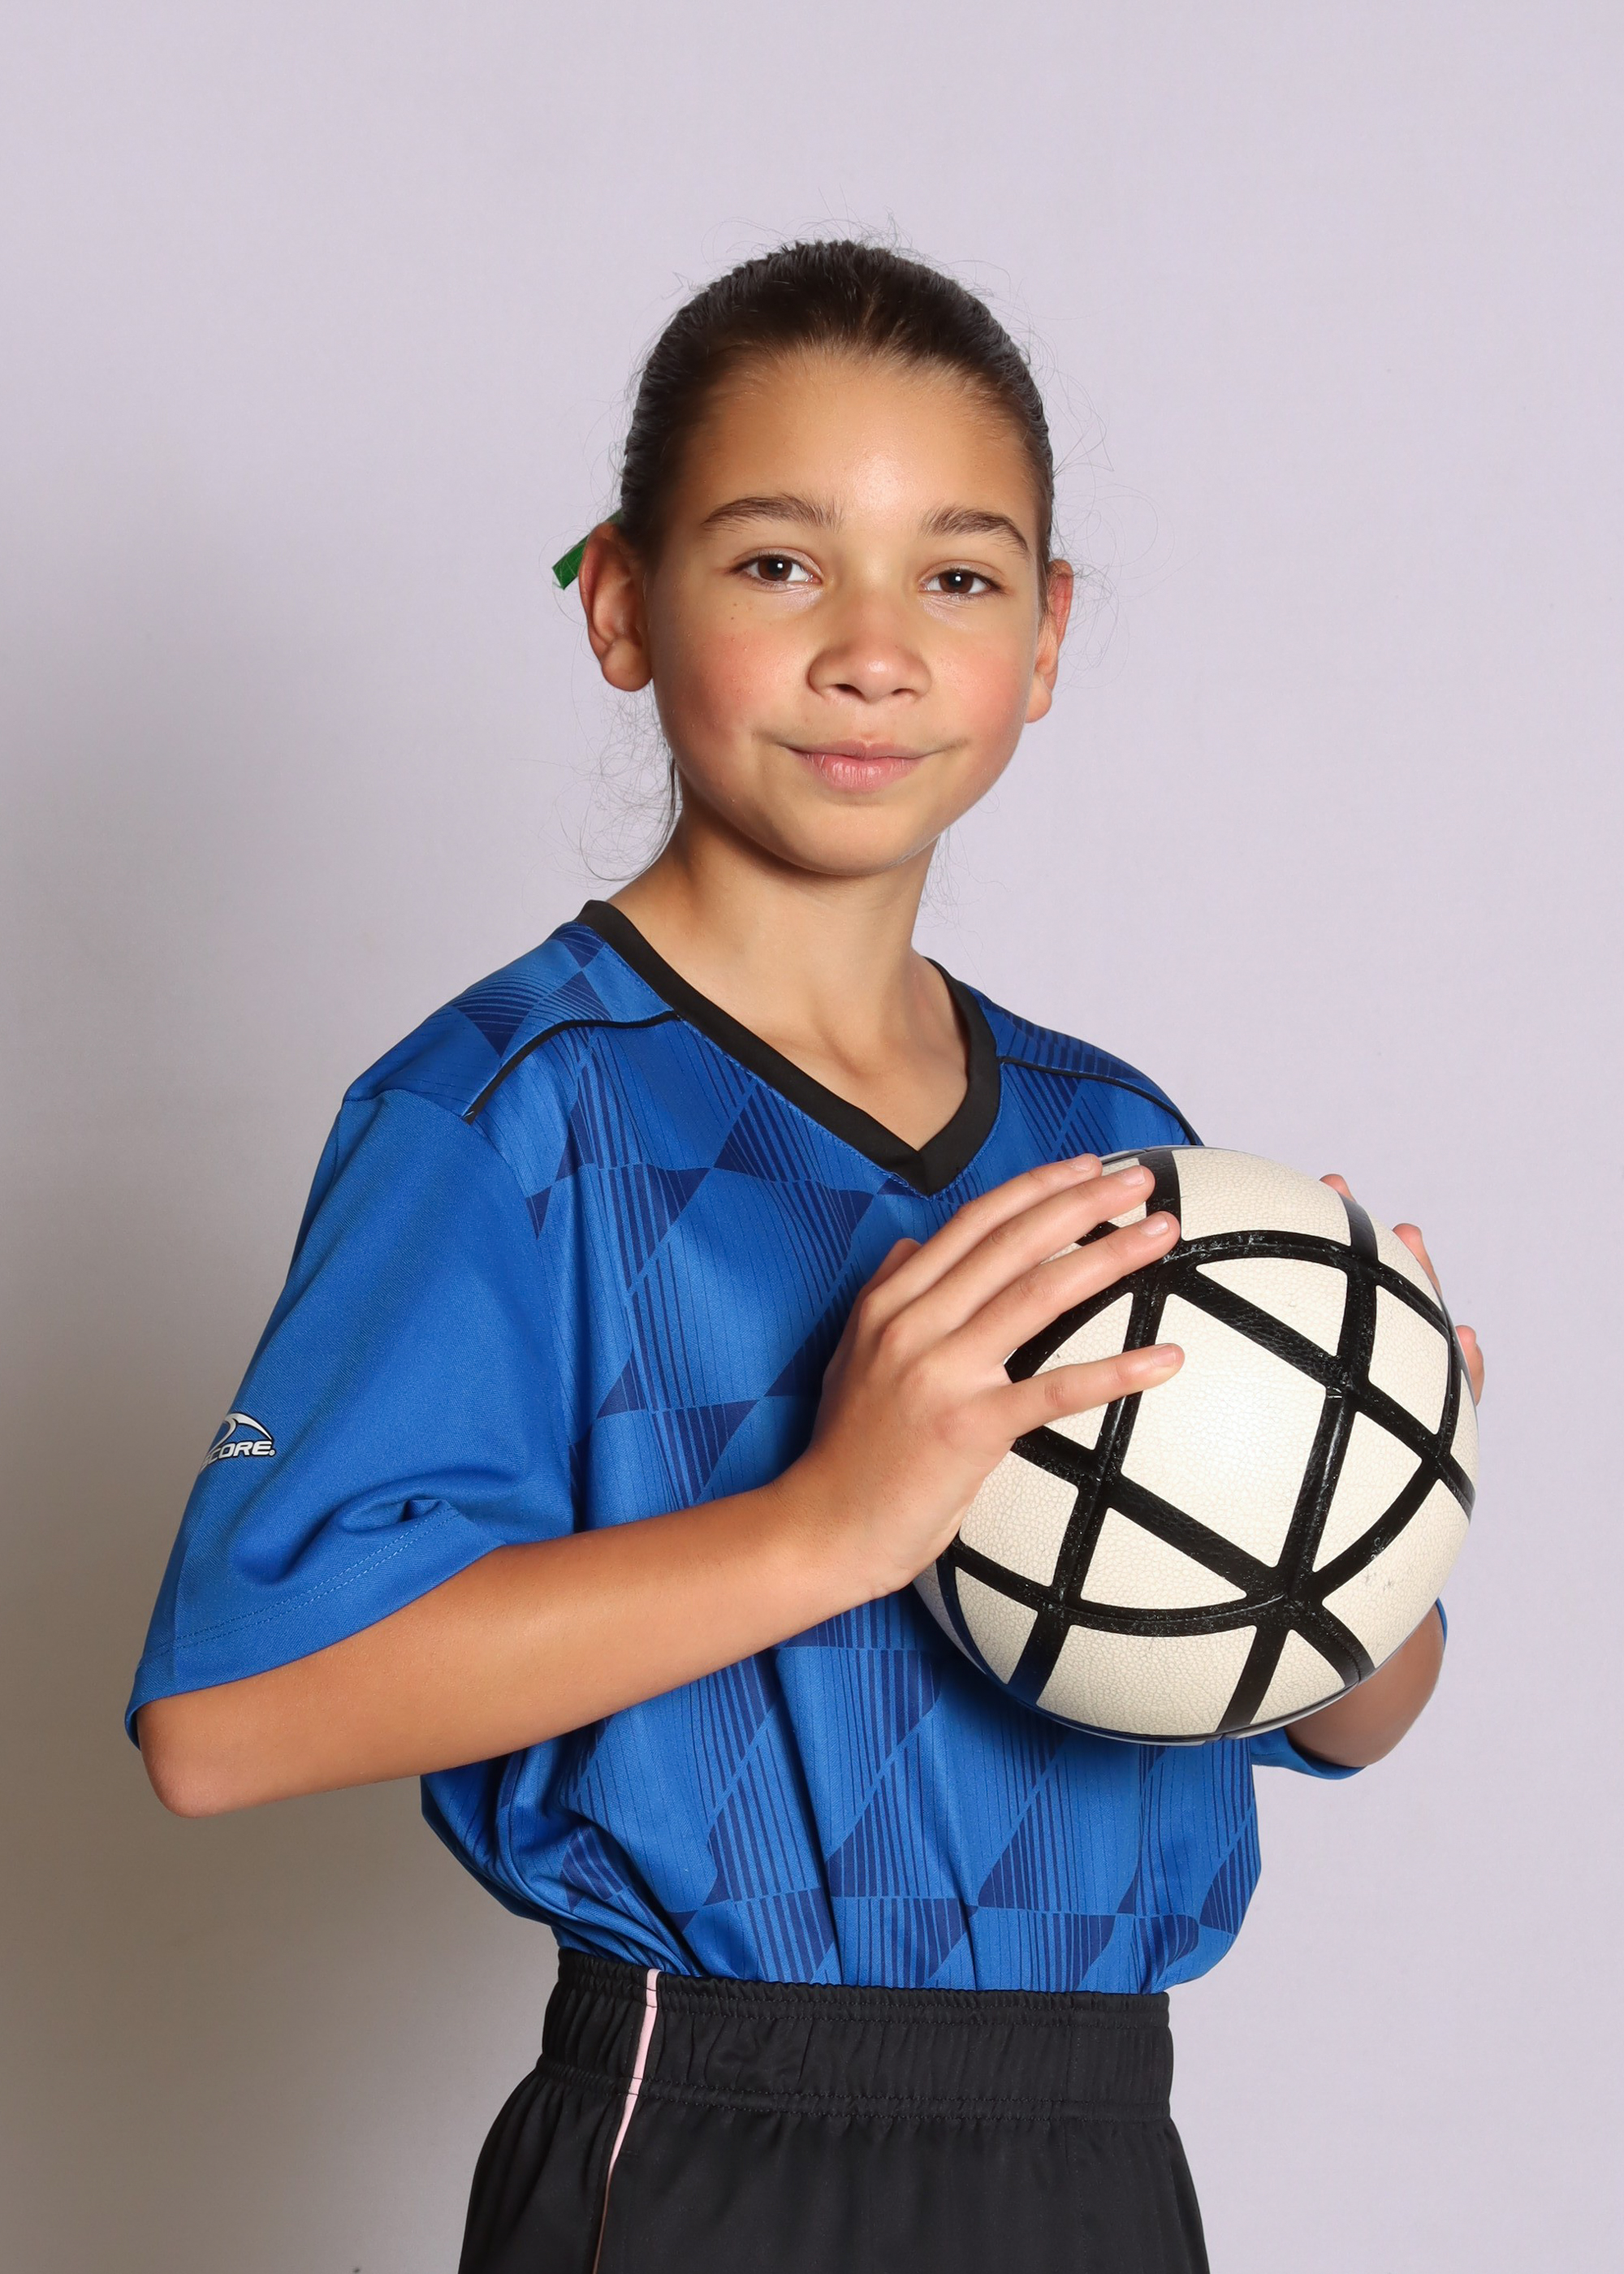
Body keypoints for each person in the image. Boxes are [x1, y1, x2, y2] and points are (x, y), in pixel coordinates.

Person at [129, 240, 1484, 2274]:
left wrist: (1364, 1483)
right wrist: (833, 1522)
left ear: (1044, 638)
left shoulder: (1110, 1131)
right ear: (619, 602)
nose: (874, 649)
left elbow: (1354, 1707)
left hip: (1099, 2155)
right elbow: (226, 1720)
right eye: (778, 563)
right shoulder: (513, 1113)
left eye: (958, 575)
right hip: (706, 2146)